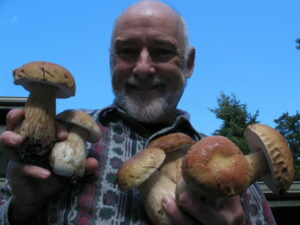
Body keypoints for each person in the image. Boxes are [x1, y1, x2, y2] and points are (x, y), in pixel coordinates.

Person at [0, 1, 276, 224]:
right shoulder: (62, 134)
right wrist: (21, 208)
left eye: (163, 51)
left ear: (189, 63)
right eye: (127, 51)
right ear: (111, 59)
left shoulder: (237, 173)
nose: (143, 68)